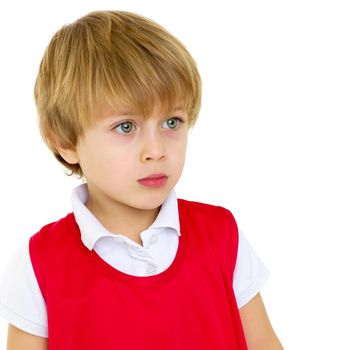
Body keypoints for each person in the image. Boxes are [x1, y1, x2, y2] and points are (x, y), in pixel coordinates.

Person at [0, 10, 283, 349]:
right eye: (126, 127)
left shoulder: (222, 236)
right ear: (65, 141)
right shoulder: (39, 264)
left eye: (172, 122)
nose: (156, 150)